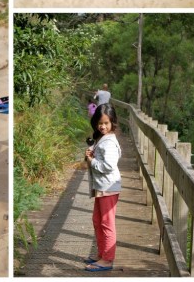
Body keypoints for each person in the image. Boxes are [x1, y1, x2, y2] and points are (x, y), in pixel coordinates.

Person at [84, 104, 122, 272]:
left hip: (109, 187)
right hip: (103, 186)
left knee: (106, 223)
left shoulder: (109, 143)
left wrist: (92, 162)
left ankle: (107, 259)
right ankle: (101, 254)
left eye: (106, 123)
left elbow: (108, 165)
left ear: (112, 122)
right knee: (97, 221)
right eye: (100, 123)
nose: (103, 126)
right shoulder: (103, 139)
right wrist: (92, 152)